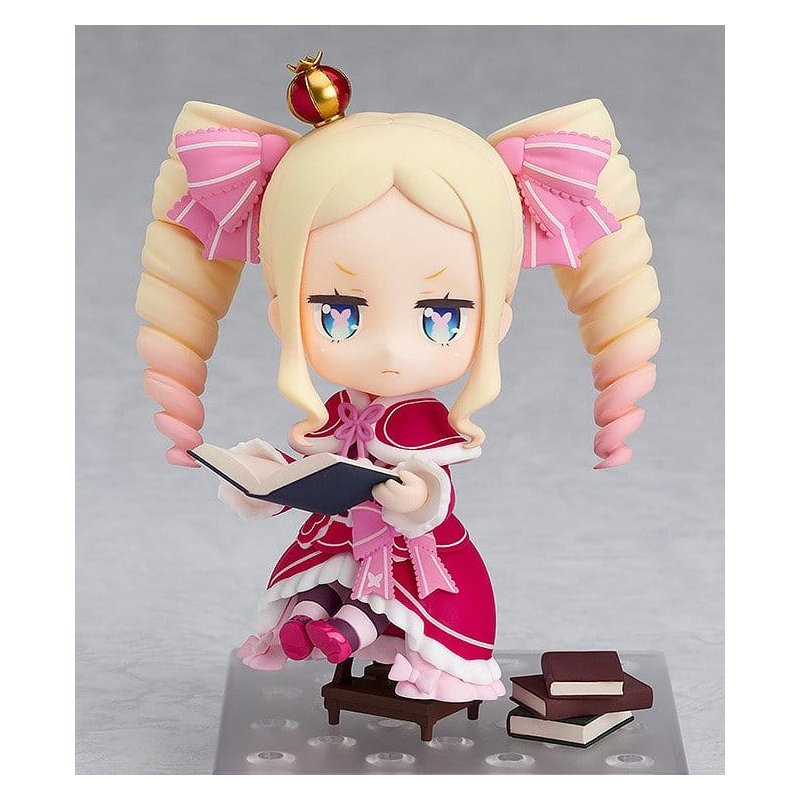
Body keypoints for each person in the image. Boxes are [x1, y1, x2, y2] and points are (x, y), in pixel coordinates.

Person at [136, 53, 660, 702]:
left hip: (410, 547)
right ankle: (313, 622)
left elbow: (436, 485)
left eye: (441, 316)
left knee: (384, 596)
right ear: (281, 311)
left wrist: (414, 497)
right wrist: (268, 481)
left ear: (496, 319)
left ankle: (350, 633)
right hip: (342, 530)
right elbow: (314, 466)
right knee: (323, 579)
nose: (389, 348)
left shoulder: (423, 421)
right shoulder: (337, 410)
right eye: (339, 312)